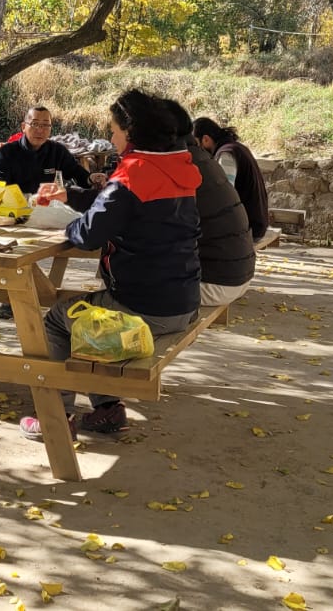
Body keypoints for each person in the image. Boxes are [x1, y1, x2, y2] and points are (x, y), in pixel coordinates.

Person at [20, 89, 201, 438]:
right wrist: (71, 196)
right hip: (183, 300)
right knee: (88, 314)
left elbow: (88, 234)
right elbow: (113, 202)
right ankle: (106, 409)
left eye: (115, 130)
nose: (111, 137)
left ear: (131, 133)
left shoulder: (133, 176)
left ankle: (54, 417)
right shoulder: (175, 168)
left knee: (58, 320)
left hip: (146, 308)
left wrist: (65, 223)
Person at [0, 105, 106, 320]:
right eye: (35, 124)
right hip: (15, 213)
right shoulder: (7, 153)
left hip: (46, 211)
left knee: (82, 232)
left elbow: (80, 175)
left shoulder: (56, 151)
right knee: (18, 251)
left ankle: (53, 294)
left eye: (46, 125)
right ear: (24, 126)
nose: (40, 130)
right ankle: (11, 299)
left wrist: (93, 178)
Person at [161, 100, 255, 307]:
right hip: (238, 271)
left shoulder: (211, 159)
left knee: (131, 282)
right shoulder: (207, 160)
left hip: (218, 282)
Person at [192, 117, 272, 246]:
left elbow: (223, 197)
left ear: (205, 139)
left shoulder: (226, 155)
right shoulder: (236, 148)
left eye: (196, 144)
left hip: (249, 228)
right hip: (255, 223)